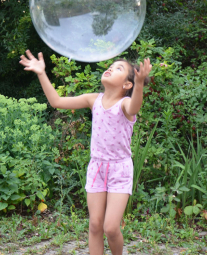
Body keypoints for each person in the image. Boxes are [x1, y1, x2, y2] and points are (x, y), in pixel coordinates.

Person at [19, 50, 152, 255]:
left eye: (118, 68)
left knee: (110, 228)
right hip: (97, 167)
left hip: (120, 170)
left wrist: (140, 83)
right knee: (95, 225)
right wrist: (41, 73)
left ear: (127, 85)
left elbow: (135, 107)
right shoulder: (93, 100)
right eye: (111, 65)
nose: (110, 68)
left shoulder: (124, 104)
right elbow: (57, 102)